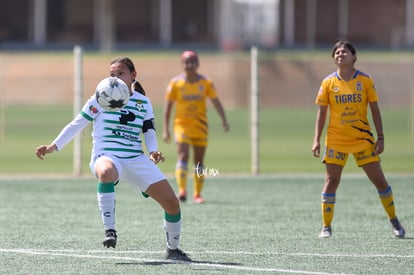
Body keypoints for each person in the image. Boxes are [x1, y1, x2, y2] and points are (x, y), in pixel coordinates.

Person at [35, 57, 192, 261]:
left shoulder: (143, 102)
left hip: (135, 158)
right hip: (106, 156)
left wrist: (153, 151)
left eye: (121, 74)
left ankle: (173, 249)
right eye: (112, 74)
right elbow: (77, 123)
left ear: (133, 76)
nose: (115, 78)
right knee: (105, 171)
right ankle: (110, 231)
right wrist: (53, 146)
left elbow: (149, 130)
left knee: (172, 203)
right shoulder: (101, 97)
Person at [312, 40, 405, 238]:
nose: (340, 55)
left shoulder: (365, 80)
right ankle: (326, 227)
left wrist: (380, 137)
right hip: (336, 140)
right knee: (331, 181)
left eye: (344, 52)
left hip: (362, 139)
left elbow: (375, 110)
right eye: (336, 52)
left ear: (354, 57)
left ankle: (394, 220)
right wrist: (316, 140)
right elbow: (321, 113)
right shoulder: (328, 82)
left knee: (379, 180)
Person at [163, 50, 229, 203]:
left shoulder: (206, 83)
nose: (189, 65)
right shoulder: (175, 83)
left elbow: (215, 101)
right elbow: (168, 107)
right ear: (182, 65)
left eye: (192, 62)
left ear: (197, 64)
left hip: (200, 126)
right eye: (186, 62)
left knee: (199, 161)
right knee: (183, 155)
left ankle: (197, 194)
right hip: (181, 125)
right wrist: (165, 129)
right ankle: (182, 190)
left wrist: (224, 119)